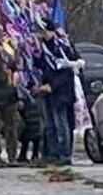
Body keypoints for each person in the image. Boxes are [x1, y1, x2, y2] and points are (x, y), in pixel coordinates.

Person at [34, 23, 81, 166]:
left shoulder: (62, 48)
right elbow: (40, 66)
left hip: (60, 93)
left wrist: (52, 86)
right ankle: (52, 154)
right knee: (49, 126)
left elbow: (67, 71)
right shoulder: (43, 48)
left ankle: (64, 154)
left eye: (44, 31)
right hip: (46, 92)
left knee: (60, 124)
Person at [17, 85, 42, 163]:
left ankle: (29, 154)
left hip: (32, 100)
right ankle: (31, 155)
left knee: (34, 128)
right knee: (28, 130)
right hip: (27, 100)